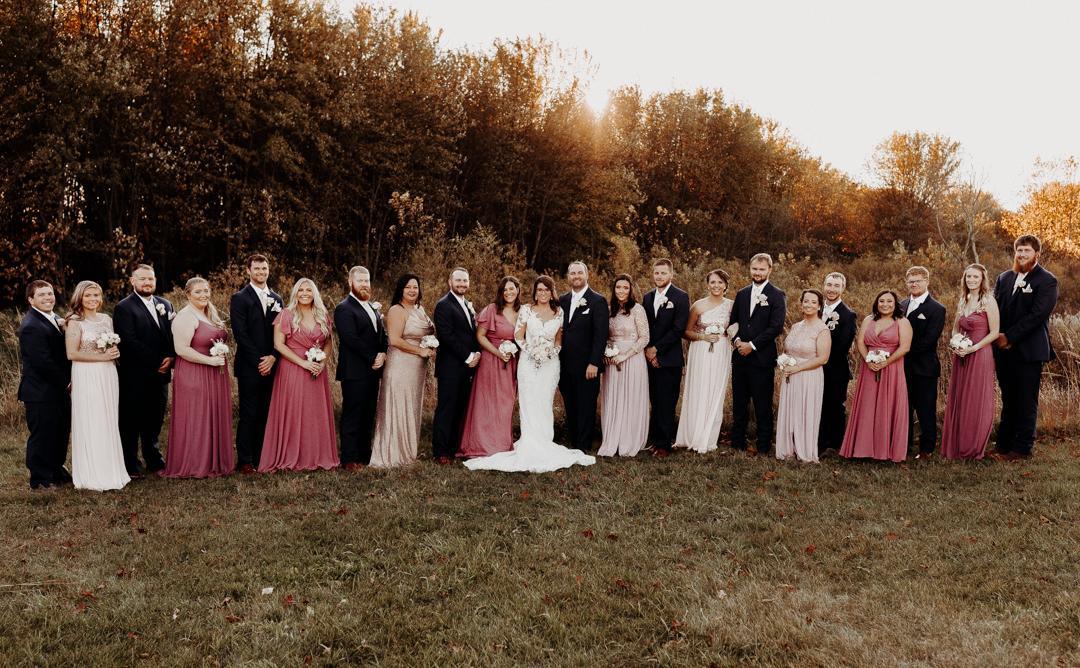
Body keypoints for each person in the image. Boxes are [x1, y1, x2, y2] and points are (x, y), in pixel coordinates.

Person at [465, 276, 595, 472]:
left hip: (550, 364)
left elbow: (558, 339)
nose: (543, 293)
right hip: (528, 362)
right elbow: (518, 336)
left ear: (552, 292)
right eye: (539, 290)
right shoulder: (526, 310)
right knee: (529, 402)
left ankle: (544, 441)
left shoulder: (559, 312)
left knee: (544, 402)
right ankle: (530, 442)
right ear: (535, 292)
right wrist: (532, 351)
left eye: (546, 290)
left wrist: (551, 352)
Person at [258, 278, 338, 472]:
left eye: (308, 290)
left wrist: (322, 363)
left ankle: (315, 455)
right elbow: (279, 345)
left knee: (314, 413)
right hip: (293, 369)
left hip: (316, 370)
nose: (304, 294)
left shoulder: (322, 314)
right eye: (300, 290)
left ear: (314, 294)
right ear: (295, 293)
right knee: (294, 411)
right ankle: (290, 455)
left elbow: (328, 342)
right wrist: (303, 363)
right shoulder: (286, 314)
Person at [992, 235, 1059, 460]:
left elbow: (1037, 315)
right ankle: (1003, 445)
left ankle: (1022, 449)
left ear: (1036, 254)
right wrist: (994, 336)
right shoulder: (1004, 278)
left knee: (1026, 401)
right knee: (1008, 398)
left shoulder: (1047, 280)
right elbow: (995, 310)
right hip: (1003, 350)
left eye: (1026, 251)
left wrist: (1009, 337)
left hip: (1029, 350)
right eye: (1019, 250)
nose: (1021, 254)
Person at [163, 277, 234, 478]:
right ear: (188, 295)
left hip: (215, 373)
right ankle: (195, 464)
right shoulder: (185, 317)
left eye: (206, 290)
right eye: (198, 292)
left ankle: (214, 461)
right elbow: (181, 349)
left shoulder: (210, 312)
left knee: (212, 413)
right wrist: (210, 361)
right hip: (194, 373)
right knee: (197, 416)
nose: (203, 295)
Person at [65, 281, 130, 491]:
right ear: (80, 298)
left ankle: (112, 469)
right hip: (87, 374)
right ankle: (92, 474)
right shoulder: (75, 322)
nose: (93, 299)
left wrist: (114, 352)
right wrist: (102, 357)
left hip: (108, 373)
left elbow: (110, 346)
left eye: (96, 295)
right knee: (92, 417)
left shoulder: (106, 319)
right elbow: (72, 353)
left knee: (108, 417)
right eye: (88, 295)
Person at [113, 264, 174, 477]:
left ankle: (153, 458)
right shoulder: (124, 307)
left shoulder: (165, 304)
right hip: (135, 375)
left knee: (155, 418)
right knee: (131, 421)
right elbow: (129, 341)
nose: (147, 282)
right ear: (132, 281)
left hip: (161, 374)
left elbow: (172, 334)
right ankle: (130, 463)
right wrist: (157, 360)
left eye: (150, 278)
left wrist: (171, 357)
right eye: (142, 279)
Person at [370, 275, 435, 468]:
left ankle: (408, 452)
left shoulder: (420, 309)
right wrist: (420, 351)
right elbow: (395, 340)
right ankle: (392, 454)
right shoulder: (396, 310)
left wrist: (430, 345)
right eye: (408, 287)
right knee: (398, 405)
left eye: (415, 287)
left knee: (412, 406)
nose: (412, 290)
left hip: (417, 368)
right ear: (401, 289)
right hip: (400, 365)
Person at [840, 290, 912, 462]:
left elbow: (905, 347)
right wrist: (868, 359)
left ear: (895, 304)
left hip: (892, 369)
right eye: (881, 301)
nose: (885, 304)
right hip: (869, 369)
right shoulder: (868, 320)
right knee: (867, 405)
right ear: (876, 303)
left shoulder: (902, 322)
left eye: (889, 301)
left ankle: (884, 450)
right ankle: (862, 448)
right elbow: (860, 342)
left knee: (888, 405)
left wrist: (886, 362)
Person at [230, 254, 284, 473]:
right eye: (257, 269)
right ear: (248, 271)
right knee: (248, 413)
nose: (261, 272)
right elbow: (240, 334)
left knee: (266, 412)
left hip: (273, 363)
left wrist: (273, 357)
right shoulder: (239, 298)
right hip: (249, 365)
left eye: (264, 269)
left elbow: (282, 333)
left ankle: (262, 456)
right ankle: (245, 460)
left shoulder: (277, 299)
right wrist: (260, 361)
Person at [728, 253, 786, 455]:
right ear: (750, 269)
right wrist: (737, 342)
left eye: (762, 269)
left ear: (769, 270)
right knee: (739, 403)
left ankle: (763, 445)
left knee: (762, 405)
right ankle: (737, 442)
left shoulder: (777, 295)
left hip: (762, 359)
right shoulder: (742, 293)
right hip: (740, 357)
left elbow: (776, 327)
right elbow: (733, 322)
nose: (758, 272)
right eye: (755, 269)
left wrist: (751, 345)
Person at [941, 264, 1000, 460]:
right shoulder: (963, 300)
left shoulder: (989, 301)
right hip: (961, 354)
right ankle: (957, 443)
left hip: (980, 354)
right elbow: (955, 329)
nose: (971, 280)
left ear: (982, 280)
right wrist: (956, 343)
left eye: (975, 277)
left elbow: (994, 332)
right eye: (968, 277)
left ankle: (973, 446)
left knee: (976, 397)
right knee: (961, 395)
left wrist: (973, 348)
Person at [18, 280, 72, 490]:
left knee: (60, 431)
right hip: (40, 391)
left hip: (57, 390)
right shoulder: (31, 326)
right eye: (41, 295)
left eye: (50, 293)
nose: (48, 297)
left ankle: (56, 470)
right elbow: (43, 362)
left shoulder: (55, 318)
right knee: (43, 435)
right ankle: (40, 478)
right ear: (31, 300)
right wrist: (67, 382)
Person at [458, 277, 521, 458]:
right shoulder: (492, 309)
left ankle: (501, 444)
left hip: (510, 363)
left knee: (505, 403)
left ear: (518, 290)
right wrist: (498, 352)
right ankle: (482, 445)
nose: (508, 292)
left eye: (512, 289)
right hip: (491, 361)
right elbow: (480, 336)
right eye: (505, 289)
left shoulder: (522, 311)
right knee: (486, 402)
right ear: (500, 292)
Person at [675, 269, 735, 453]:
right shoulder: (698, 305)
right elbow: (686, 332)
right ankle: (693, 434)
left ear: (726, 285)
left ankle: (709, 437)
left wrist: (732, 334)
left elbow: (736, 327)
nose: (716, 285)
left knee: (716, 390)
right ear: (708, 284)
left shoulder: (732, 306)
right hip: (700, 351)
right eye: (713, 282)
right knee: (699, 389)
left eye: (720, 282)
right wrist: (703, 337)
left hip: (721, 351)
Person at [334, 266, 387, 470]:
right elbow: (350, 339)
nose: (364, 284)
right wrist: (373, 356)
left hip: (373, 370)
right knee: (353, 414)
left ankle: (364, 455)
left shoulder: (373, 307)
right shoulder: (344, 308)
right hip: (354, 371)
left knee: (368, 413)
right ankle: (349, 458)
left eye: (367, 281)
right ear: (350, 282)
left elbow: (382, 335)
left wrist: (383, 353)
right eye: (360, 281)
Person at [558, 261, 609, 452]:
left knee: (586, 405)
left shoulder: (597, 301)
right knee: (570, 403)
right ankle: (574, 442)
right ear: (568, 276)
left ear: (587, 275)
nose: (576, 276)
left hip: (587, 365)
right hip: (564, 364)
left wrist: (594, 362)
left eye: (580, 272)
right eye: (573, 273)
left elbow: (601, 335)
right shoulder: (562, 300)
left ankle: (584, 445)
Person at [775, 290, 832, 462]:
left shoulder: (822, 329)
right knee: (790, 411)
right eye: (806, 301)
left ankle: (805, 450)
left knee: (805, 412)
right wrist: (785, 361)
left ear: (819, 306)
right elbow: (788, 350)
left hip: (809, 376)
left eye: (813, 302)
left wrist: (798, 368)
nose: (809, 305)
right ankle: (787, 449)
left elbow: (823, 358)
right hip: (790, 376)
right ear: (801, 304)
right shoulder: (795, 326)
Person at [432, 268, 481, 464]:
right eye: (458, 280)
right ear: (450, 282)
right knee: (446, 409)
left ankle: (453, 448)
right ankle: (441, 452)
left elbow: (470, 334)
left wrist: (477, 354)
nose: (462, 284)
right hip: (450, 368)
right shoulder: (443, 305)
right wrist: (469, 356)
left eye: (465, 280)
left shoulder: (466, 304)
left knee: (460, 409)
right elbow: (447, 336)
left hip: (466, 368)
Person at [642, 259, 691, 457]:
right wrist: (648, 350)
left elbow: (678, 329)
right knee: (655, 400)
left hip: (670, 359)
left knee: (667, 402)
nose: (659, 276)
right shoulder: (647, 297)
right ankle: (655, 440)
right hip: (649, 357)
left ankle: (664, 444)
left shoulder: (680, 296)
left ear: (671, 274)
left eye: (663, 273)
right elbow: (645, 327)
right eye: (656, 273)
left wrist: (656, 350)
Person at [598, 274, 649, 457]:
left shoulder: (637, 309)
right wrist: (606, 353)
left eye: (625, 288)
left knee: (630, 396)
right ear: (614, 289)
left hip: (632, 358)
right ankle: (613, 438)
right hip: (612, 360)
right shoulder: (608, 310)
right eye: (618, 287)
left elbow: (645, 338)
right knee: (614, 396)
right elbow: (604, 335)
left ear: (631, 290)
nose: (621, 291)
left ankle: (630, 439)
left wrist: (624, 356)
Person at [900, 266, 946, 459]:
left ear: (927, 281)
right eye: (911, 281)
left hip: (924, 367)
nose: (914, 284)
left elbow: (929, 340)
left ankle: (927, 448)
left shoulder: (937, 309)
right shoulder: (900, 305)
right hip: (901, 367)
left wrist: (901, 351)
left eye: (918, 280)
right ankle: (904, 445)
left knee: (925, 408)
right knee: (903, 407)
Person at [818, 272, 857, 455]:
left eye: (836, 286)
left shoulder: (848, 315)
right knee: (817, 404)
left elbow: (842, 346)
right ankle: (817, 440)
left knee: (833, 406)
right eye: (829, 285)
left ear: (843, 288)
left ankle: (834, 444)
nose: (832, 289)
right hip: (814, 368)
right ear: (824, 285)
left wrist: (819, 360)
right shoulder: (816, 309)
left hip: (835, 369)